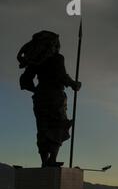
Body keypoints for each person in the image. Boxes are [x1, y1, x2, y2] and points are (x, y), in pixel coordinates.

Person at [17, 31, 81, 167]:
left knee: (43, 128)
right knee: (58, 126)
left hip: (40, 97)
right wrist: (74, 84)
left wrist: (37, 90)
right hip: (55, 97)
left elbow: (26, 80)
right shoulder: (57, 58)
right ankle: (52, 160)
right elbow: (62, 76)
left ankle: (44, 161)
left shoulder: (36, 61)